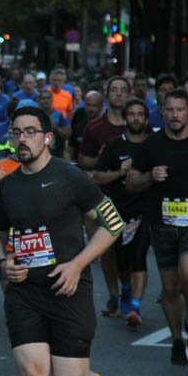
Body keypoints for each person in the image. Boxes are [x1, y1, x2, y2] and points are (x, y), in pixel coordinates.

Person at [0, 106, 121, 376]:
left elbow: (113, 224)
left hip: (68, 288)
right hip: (24, 292)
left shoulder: (69, 176)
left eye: (30, 132)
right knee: (31, 375)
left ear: (47, 137)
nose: (21, 139)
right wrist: (1, 264)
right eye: (16, 132)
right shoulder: (8, 186)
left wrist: (77, 264)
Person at [127, 89, 188, 365]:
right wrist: (150, 176)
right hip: (162, 222)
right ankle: (177, 340)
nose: (174, 115)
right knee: (170, 286)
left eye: (180, 110)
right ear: (162, 111)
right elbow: (132, 182)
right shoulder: (152, 144)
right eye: (169, 110)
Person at [93, 98, 152, 327]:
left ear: (146, 119)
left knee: (140, 255)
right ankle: (126, 288)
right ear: (125, 118)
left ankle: (135, 307)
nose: (136, 118)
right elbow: (97, 177)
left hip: (146, 209)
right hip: (118, 210)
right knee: (122, 259)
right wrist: (119, 172)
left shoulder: (153, 144)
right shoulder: (114, 145)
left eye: (140, 114)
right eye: (132, 114)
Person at [79, 76, 130, 316]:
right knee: (107, 248)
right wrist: (102, 156)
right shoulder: (95, 127)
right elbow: (83, 160)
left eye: (123, 90)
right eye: (114, 90)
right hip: (104, 197)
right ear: (107, 95)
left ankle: (128, 288)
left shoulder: (138, 124)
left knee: (129, 250)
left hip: (133, 197)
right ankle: (114, 295)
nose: (119, 94)